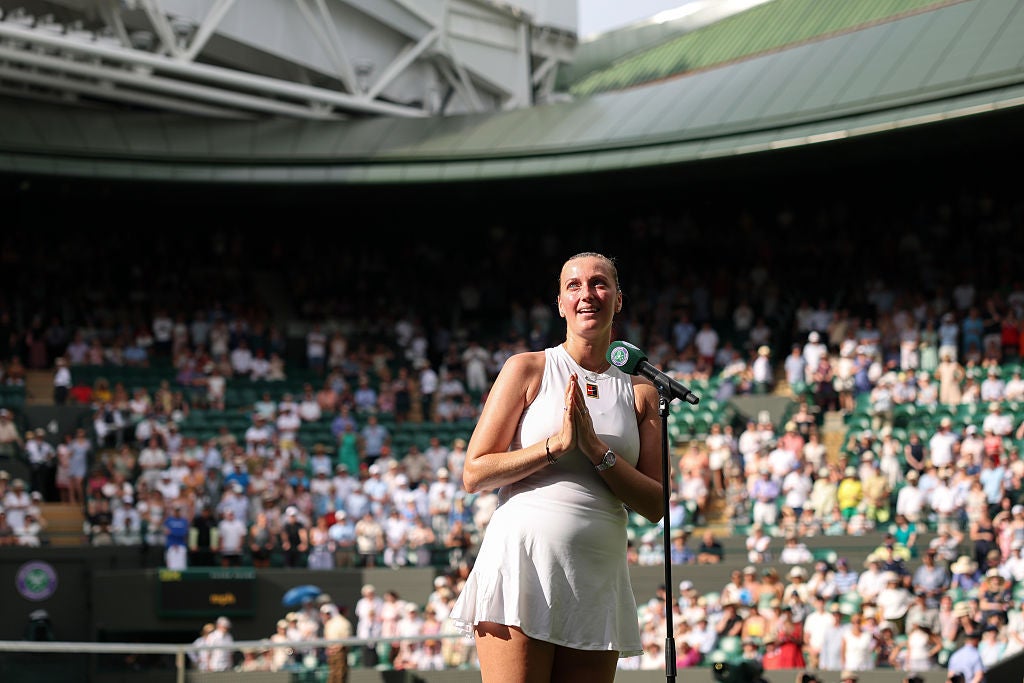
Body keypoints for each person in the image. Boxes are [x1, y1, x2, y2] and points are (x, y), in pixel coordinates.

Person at [447, 252, 664, 683]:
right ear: (560, 302)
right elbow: (475, 472)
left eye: (599, 283)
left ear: (618, 299)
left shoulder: (642, 391)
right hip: (522, 566)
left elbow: (656, 504)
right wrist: (557, 445)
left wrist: (596, 450)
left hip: (597, 576)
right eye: (574, 285)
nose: (588, 294)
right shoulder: (527, 368)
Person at [320, 602, 353, 683]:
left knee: (338, 676)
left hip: (338, 653)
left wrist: (335, 649)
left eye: (327, 613)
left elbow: (345, 639)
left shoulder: (341, 622)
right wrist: (331, 649)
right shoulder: (330, 623)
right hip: (333, 653)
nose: (325, 616)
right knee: (334, 676)